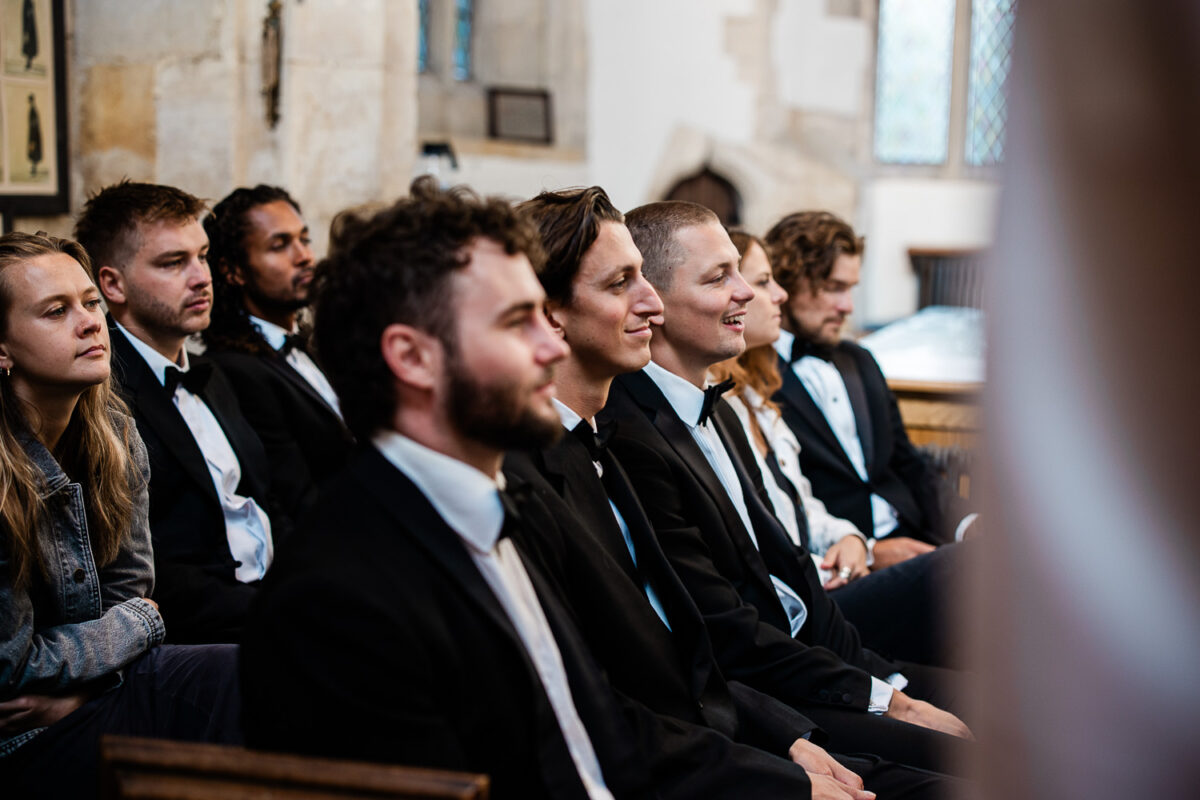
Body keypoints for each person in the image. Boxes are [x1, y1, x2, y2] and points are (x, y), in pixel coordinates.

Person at [507, 185, 959, 798]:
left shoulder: (637, 433)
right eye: (622, 284)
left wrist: (819, 721)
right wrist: (787, 767)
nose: (651, 303)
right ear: (547, 313)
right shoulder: (571, 460)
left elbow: (712, 627)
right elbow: (634, 685)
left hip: (750, 712)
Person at [243, 178, 668, 800]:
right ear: (413, 358)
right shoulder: (335, 598)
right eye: (517, 322)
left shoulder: (504, 505)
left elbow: (595, 728)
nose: (553, 345)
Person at [0, 232, 240, 799]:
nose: (89, 323)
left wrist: (86, 684)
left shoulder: (114, 431)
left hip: (87, 694)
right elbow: (11, 669)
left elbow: (133, 588)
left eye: (91, 304)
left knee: (242, 673)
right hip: (16, 735)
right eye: (56, 311)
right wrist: (136, 628)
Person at [712, 230, 965, 668]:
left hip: (878, 545)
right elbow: (758, 539)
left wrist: (851, 538)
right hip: (820, 585)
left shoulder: (843, 365)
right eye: (833, 287)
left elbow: (906, 463)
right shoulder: (723, 402)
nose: (777, 295)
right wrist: (864, 548)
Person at [75, 180, 289, 644]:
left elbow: (264, 505)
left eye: (203, 255)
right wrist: (282, 612)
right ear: (112, 284)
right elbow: (142, 569)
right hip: (200, 634)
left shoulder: (211, 374)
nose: (201, 277)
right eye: (174, 263)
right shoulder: (98, 395)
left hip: (275, 599)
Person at [765, 212, 970, 570]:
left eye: (851, 288)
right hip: (843, 560)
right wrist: (871, 550)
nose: (848, 306)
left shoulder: (859, 359)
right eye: (833, 288)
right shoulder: (758, 377)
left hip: (915, 534)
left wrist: (968, 523)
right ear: (787, 283)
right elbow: (778, 507)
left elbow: (909, 463)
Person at [202, 185, 352, 517]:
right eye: (279, 245)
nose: (304, 257)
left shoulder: (315, 343)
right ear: (233, 271)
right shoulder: (235, 370)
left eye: (304, 240)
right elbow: (294, 498)